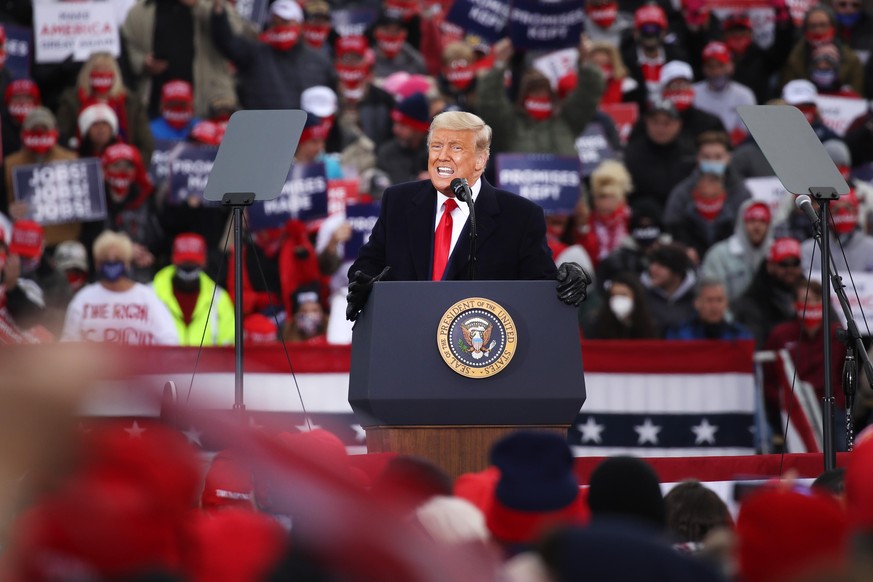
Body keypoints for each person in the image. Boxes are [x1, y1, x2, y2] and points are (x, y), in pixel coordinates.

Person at [345, 111, 591, 321]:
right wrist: (368, 286)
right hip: (408, 339)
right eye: (436, 146)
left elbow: (539, 289)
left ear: (480, 160)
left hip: (479, 355)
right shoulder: (398, 201)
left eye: (456, 147)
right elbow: (368, 264)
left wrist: (567, 277)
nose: (442, 156)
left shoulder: (520, 216)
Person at [476, 35, 604, 158]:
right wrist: (499, 63)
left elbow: (589, 93)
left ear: (552, 95)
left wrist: (585, 61)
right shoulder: (509, 125)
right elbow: (490, 101)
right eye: (534, 91)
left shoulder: (567, 121)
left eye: (543, 90)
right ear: (523, 95)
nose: (539, 96)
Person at [123, 0, 244, 118]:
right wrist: (143, 61)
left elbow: (235, 33)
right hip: (155, 104)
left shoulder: (211, 3)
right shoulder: (142, 9)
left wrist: (198, 4)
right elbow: (128, 46)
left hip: (206, 103)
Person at [210, 0, 336, 111]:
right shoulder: (254, 53)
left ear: (299, 24)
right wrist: (219, 11)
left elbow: (329, 102)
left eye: (285, 22)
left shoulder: (318, 61)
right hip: (261, 127)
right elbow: (226, 42)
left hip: (301, 131)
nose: (280, 27)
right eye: (275, 22)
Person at [762, 278, 846, 444]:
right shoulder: (781, 335)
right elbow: (768, 377)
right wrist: (782, 401)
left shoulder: (837, 334)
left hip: (832, 407)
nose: (812, 305)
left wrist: (841, 400)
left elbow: (848, 371)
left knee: (841, 458)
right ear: (794, 304)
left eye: (817, 300)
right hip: (795, 410)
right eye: (806, 300)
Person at [61, 230, 179, 345]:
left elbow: (169, 340)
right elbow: (68, 344)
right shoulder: (84, 299)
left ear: (127, 262)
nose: (111, 261)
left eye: (117, 259)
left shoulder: (148, 299)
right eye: (105, 259)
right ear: (97, 263)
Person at [53, 52, 154, 161]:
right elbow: (60, 141)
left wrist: (131, 167)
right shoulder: (71, 101)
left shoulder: (132, 103)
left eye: (107, 70)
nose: (102, 74)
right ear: (87, 74)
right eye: (97, 70)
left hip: (122, 166)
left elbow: (146, 146)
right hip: (82, 164)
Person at [152, 232, 234, 346]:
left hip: (208, 364)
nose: (188, 267)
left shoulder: (219, 299)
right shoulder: (150, 294)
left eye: (194, 262)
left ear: (204, 262)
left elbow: (229, 348)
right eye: (184, 261)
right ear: (172, 259)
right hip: (163, 363)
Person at [623, 99, 697, 213]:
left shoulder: (690, 153)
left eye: (667, 122)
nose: (660, 128)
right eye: (655, 122)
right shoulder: (631, 154)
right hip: (644, 219)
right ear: (647, 122)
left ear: (679, 124)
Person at [731, 237, 804, 348]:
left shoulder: (812, 294)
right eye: (783, 264)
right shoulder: (751, 303)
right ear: (770, 266)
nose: (790, 269)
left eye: (795, 263)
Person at [781, 4, 864, 96]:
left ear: (833, 27)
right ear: (806, 29)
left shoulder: (851, 58)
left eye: (823, 25)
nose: (818, 30)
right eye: (813, 26)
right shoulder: (795, 58)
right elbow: (787, 92)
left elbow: (857, 94)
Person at [701, 200, 773, 301]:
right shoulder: (719, 255)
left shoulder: (775, 254)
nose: (757, 227)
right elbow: (711, 297)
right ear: (741, 222)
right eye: (751, 221)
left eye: (762, 221)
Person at [692, 41, 756, 146]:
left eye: (721, 65)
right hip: (700, 146)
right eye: (711, 67)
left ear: (731, 66)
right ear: (704, 68)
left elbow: (745, 131)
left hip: (735, 149)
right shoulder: (693, 93)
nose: (716, 72)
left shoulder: (744, 95)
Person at [665, 276, 753, 339]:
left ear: (727, 304)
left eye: (719, 300)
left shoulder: (739, 335)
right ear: (696, 303)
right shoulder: (678, 334)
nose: (715, 306)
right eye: (709, 300)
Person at [640, 241, 697, 336]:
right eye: (652, 263)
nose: (653, 269)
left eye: (661, 265)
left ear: (677, 271)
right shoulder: (641, 293)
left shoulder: (696, 294)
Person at [376, 92, 431, 185]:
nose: (395, 130)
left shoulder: (436, 153)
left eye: (403, 125)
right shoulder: (386, 153)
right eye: (395, 123)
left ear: (418, 129)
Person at [585, 271, 658, 339]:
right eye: (613, 295)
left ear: (636, 297)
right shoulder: (596, 325)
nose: (618, 299)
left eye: (623, 295)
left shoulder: (651, 326)